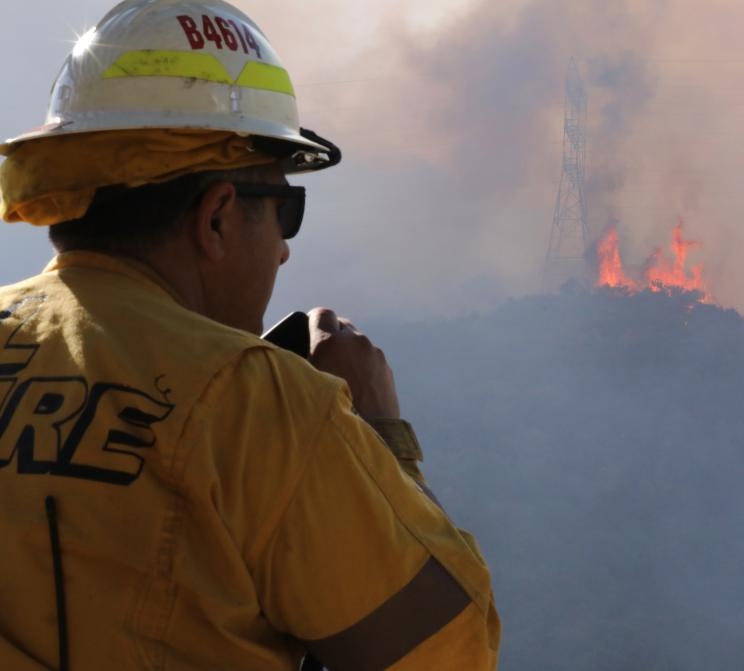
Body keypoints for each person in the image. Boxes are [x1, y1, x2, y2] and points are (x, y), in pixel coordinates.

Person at [0, 1, 500, 669]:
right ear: (217, 217)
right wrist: (382, 437)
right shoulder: (256, 396)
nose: (285, 252)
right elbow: (448, 652)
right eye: (284, 208)